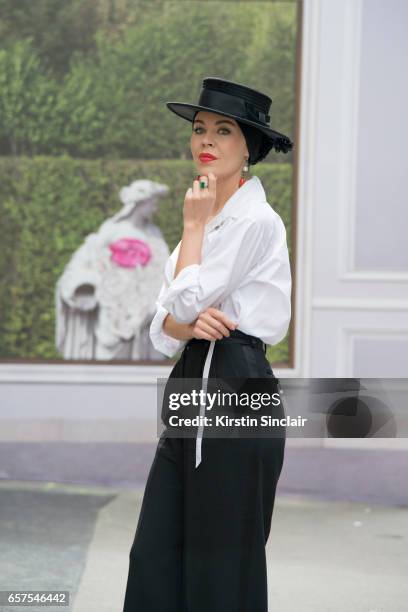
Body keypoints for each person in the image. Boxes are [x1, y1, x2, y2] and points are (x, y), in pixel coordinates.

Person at [122, 77, 294, 612]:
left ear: (251, 148)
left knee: (222, 562)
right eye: (200, 129)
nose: (208, 139)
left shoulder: (254, 221)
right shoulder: (210, 213)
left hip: (237, 381)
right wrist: (187, 323)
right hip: (192, 379)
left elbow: (186, 301)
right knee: (156, 550)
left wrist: (192, 231)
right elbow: (166, 323)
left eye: (225, 130)